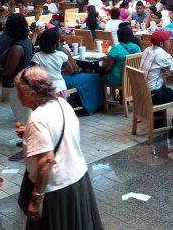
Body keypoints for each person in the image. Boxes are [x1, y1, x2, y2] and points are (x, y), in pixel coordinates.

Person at [13, 67, 103, 229]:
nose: (19, 98)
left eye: (20, 93)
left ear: (32, 94)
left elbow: (46, 160)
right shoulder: (61, 103)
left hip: (55, 191)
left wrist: (36, 199)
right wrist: (30, 134)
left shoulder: (37, 118)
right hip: (78, 181)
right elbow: (59, 130)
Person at [140, 30, 173, 125]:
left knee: (166, 88)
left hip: (143, 91)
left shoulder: (147, 49)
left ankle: (158, 121)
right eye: (168, 40)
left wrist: (170, 61)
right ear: (161, 43)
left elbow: (157, 64)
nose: (170, 42)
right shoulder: (163, 55)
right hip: (156, 95)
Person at [0, 14, 34, 127]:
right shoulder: (26, 41)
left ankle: (30, 140)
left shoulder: (17, 48)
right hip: (23, 83)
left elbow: (9, 70)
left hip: (16, 86)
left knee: (24, 117)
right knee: (26, 115)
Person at [31, 28, 72, 99]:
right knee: (61, 109)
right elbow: (70, 70)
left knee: (49, 109)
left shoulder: (37, 56)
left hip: (46, 90)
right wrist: (58, 73)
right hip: (61, 88)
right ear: (57, 43)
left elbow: (36, 75)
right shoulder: (61, 55)